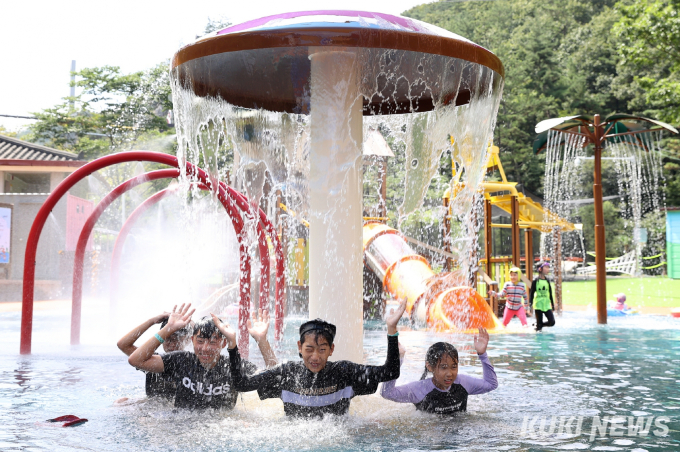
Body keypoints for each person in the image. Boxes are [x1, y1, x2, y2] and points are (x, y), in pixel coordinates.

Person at [227, 299, 408, 418]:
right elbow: (241, 384)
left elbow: (390, 372)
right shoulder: (288, 372)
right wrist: (232, 346)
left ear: (331, 350)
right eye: (309, 349)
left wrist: (392, 330)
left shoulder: (343, 372)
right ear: (299, 347)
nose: (315, 357)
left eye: (322, 350)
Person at [128, 304, 277, 410]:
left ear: (223, 343)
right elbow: (136, 360)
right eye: (200, 341)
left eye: (213, 342)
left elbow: (275, 378)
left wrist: (262, 341)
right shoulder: (181, 360)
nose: (205, 349)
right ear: (192, 340)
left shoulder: (233, 366)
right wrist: (168, 329)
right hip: (181, 427)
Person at [380, 328, 497, 415]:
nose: (450, 373)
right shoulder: (419, 390)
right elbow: (387, 393)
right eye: (443, 367)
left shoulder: (463, 383)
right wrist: (397, 360)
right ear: (430, 367)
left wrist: (482, 354)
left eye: (454, 367)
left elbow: (491, 384)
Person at [117, 311, 193, 399]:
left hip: (172, 409)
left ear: (187, 340)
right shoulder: (150, 360)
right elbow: (123, 345)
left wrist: (194, 325)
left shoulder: (191, 364)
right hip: (152, 408)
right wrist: (151, 321)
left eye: (177, 339)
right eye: (167, 339)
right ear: (161, 338)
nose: (172, 344)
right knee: (121, 401)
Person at [529, 262, 556, 332]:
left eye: (548, 267)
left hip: (546, 304)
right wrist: (530, 306)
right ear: (540, 269)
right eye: (546, 267)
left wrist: (552, 305)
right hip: (538, 304)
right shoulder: (535, 281)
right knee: (539, 329)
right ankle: (538, 327)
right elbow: (531, 294)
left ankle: (538, 324)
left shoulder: (547, 281)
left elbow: (550, 293)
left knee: (552, 322)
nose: (548, 269)